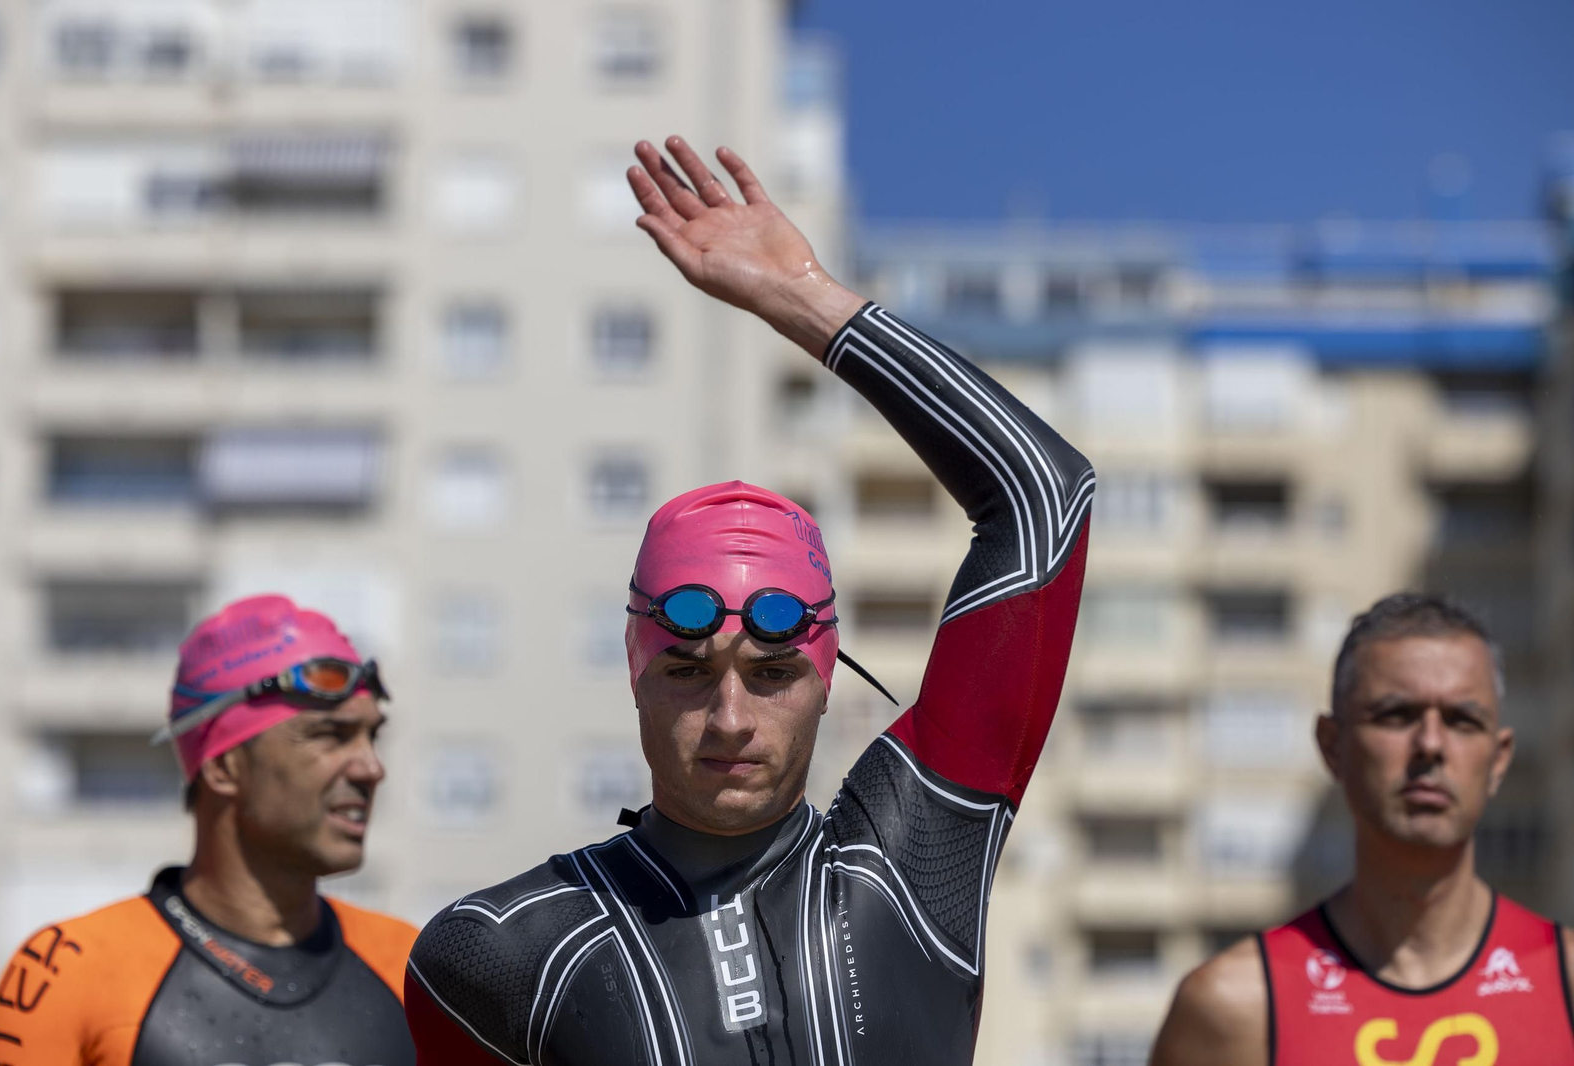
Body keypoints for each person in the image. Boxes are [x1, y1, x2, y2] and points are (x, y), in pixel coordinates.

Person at [403, 136, 1095, 1065]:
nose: (731, 719)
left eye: (772, 675)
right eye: (690, 672)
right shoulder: (497, 956)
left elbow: (1045, 494)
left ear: (824, 677)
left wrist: (799, 293)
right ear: (635, 668)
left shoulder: (916, 859)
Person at [0, 594, 419, 1066]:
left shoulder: (416, 966)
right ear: (225, 767)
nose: (372, 768)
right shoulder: (67, 969)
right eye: (330, 736)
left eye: (372, 737)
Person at [1150, 594, 1574, 1066]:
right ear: (1332, 747)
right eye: (1396, 715)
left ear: (1498, 760)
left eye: (1461, 720)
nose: (1430, 745)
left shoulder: (1567, 988)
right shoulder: (1233, 1007)